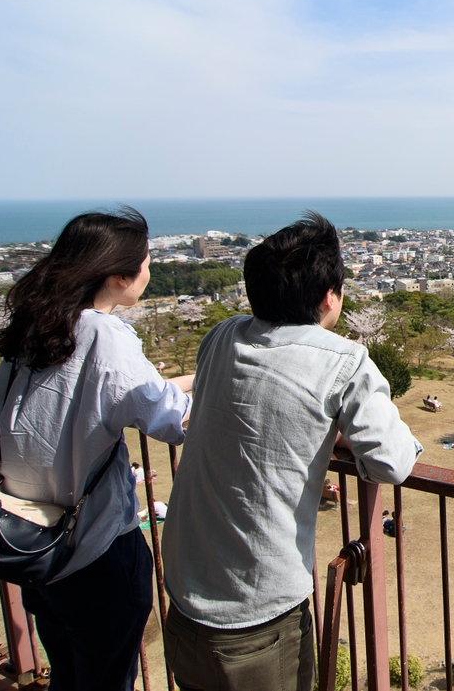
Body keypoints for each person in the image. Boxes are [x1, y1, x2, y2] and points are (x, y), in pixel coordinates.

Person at [161, 213, 421, 691]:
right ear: (329, 297)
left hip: (182, 600)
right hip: (256, 617)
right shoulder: (343, 360)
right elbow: (393, 460)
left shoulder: (221, 337)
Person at [0, 208, 193, 691]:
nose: (150, 271)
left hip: (30, 538)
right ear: (118, 274)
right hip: (94, 547)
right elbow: (170, 420)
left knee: (70, 670)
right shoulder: (103, 333)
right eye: (145, 262)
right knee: (105, 675)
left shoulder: (37, 330)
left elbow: (7, 405)